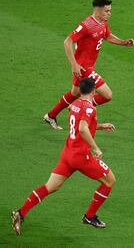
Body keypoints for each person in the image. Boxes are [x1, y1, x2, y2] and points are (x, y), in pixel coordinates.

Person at [12, 78, 116, 235]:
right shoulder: (90, 108)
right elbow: (82, 128)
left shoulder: (73, 105)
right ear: (94, 91)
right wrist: (96, 148)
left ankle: (20, 213)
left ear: (80, 91)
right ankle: (89, 216)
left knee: (50, 186)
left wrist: (100, 126)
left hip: (68, 154)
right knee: (110, 180)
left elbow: (78, 125)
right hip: (81, 157)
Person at [44, 0, 134, 130]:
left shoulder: (103, 22)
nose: (109, 13)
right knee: (107, 95)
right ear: (97, 10)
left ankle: (51, 116)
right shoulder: (87, 25)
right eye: (107, 11)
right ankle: (74, 108)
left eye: (110, 10)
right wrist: (74, 65)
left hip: (87, 66)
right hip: (83, 68)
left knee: (74, 93)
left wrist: (123, 42)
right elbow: (67, 42)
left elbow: (107, 35)